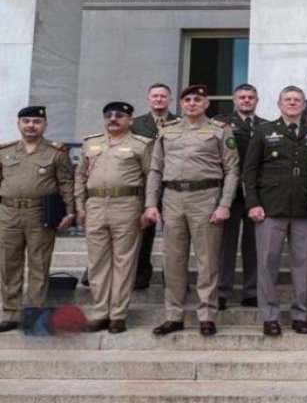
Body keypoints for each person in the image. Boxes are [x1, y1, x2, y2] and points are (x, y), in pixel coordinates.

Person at [144, 85, 239, 337]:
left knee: (207, 261)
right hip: (173, 198)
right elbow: (155, 169)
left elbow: (231, 170)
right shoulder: (167, 131)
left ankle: (207, 315)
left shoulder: (220, 130)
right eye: (187, 100)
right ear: (181, 104)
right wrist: (151, 203)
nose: (192, 104)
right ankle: (174, 315)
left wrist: (224, 204)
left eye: (198, 99)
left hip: (206, 198)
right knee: (173, 261)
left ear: (206, 103)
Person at [243, 85, 307, 337]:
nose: (292, 103)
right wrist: (253, 203)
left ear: (304, 105)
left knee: (303, 265)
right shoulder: (264, 131)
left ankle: (300, 314)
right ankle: (269, 316)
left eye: (297, 100)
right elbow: (250, 171)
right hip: (270, 209)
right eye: (287, 100)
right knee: (267, 264)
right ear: (279, 105)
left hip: (304, 209)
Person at [75, 101, 152, 334]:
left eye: (120, 115)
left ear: (130, 120)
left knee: (124, 262)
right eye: (109, 115)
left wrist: (148, 207)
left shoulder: (142, 145)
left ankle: (118, 315)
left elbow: (151, 178)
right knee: (97, 263)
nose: (113, 119)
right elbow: (80, 177)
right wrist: (80, 206)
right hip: (96, 205)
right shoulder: (91, 143)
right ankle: (100, 313)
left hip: (127, 205)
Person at [0, 106, 75, 333]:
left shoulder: (56, 153)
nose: (31, 125)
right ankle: (11, 313)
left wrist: (70, 212)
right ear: (19, 124)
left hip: (39, 214)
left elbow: (66, 184)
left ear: (44, 125)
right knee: (7, 264)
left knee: (39, 265)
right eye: (27, 121)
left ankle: (34, 314)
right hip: (8, 213)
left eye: (36, 121)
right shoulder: (5, 151)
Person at [213, 84, 266, 310]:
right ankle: (222, 291)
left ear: (257, 100)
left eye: (251, 97)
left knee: (253, 246)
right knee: (226, 245)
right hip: (229, 193)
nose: (246, 101)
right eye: (242, 97)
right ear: (234, 100)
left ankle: (251, 291)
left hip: (256, 195)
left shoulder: (265, 126)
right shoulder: (220, 123)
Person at [129, 83, 179, 290]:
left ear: (170, 100)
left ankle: (174, 279)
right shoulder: (135, 124)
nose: (159, 99)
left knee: (175, 236)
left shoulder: (180, 122)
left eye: (163, 96)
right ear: (148, 100)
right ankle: (140, 276)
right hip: (144, 184)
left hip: (172, 184)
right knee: (142, 233)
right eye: (155, 96)